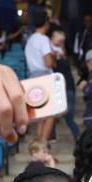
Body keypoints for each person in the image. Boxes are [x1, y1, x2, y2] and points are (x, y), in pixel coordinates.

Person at [25, 10, 55, 142]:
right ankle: (42, 147)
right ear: (46, 23)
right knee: (51, 114)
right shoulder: (43, 39)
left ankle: (38, 148)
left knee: (42, 115)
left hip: (33, 78)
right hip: (44, 77)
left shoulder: (30, 40)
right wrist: (54, 58)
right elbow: (48, 63)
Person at [51, 28, 79, 141]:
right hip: (58, 88)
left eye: (62, 41)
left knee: (69, 116)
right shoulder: (50, 51)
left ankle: (77, 137)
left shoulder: (62, 54)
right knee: (52, 115)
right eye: (58, 40)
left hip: (68, 88)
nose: (59, 43)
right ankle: (51, 137)